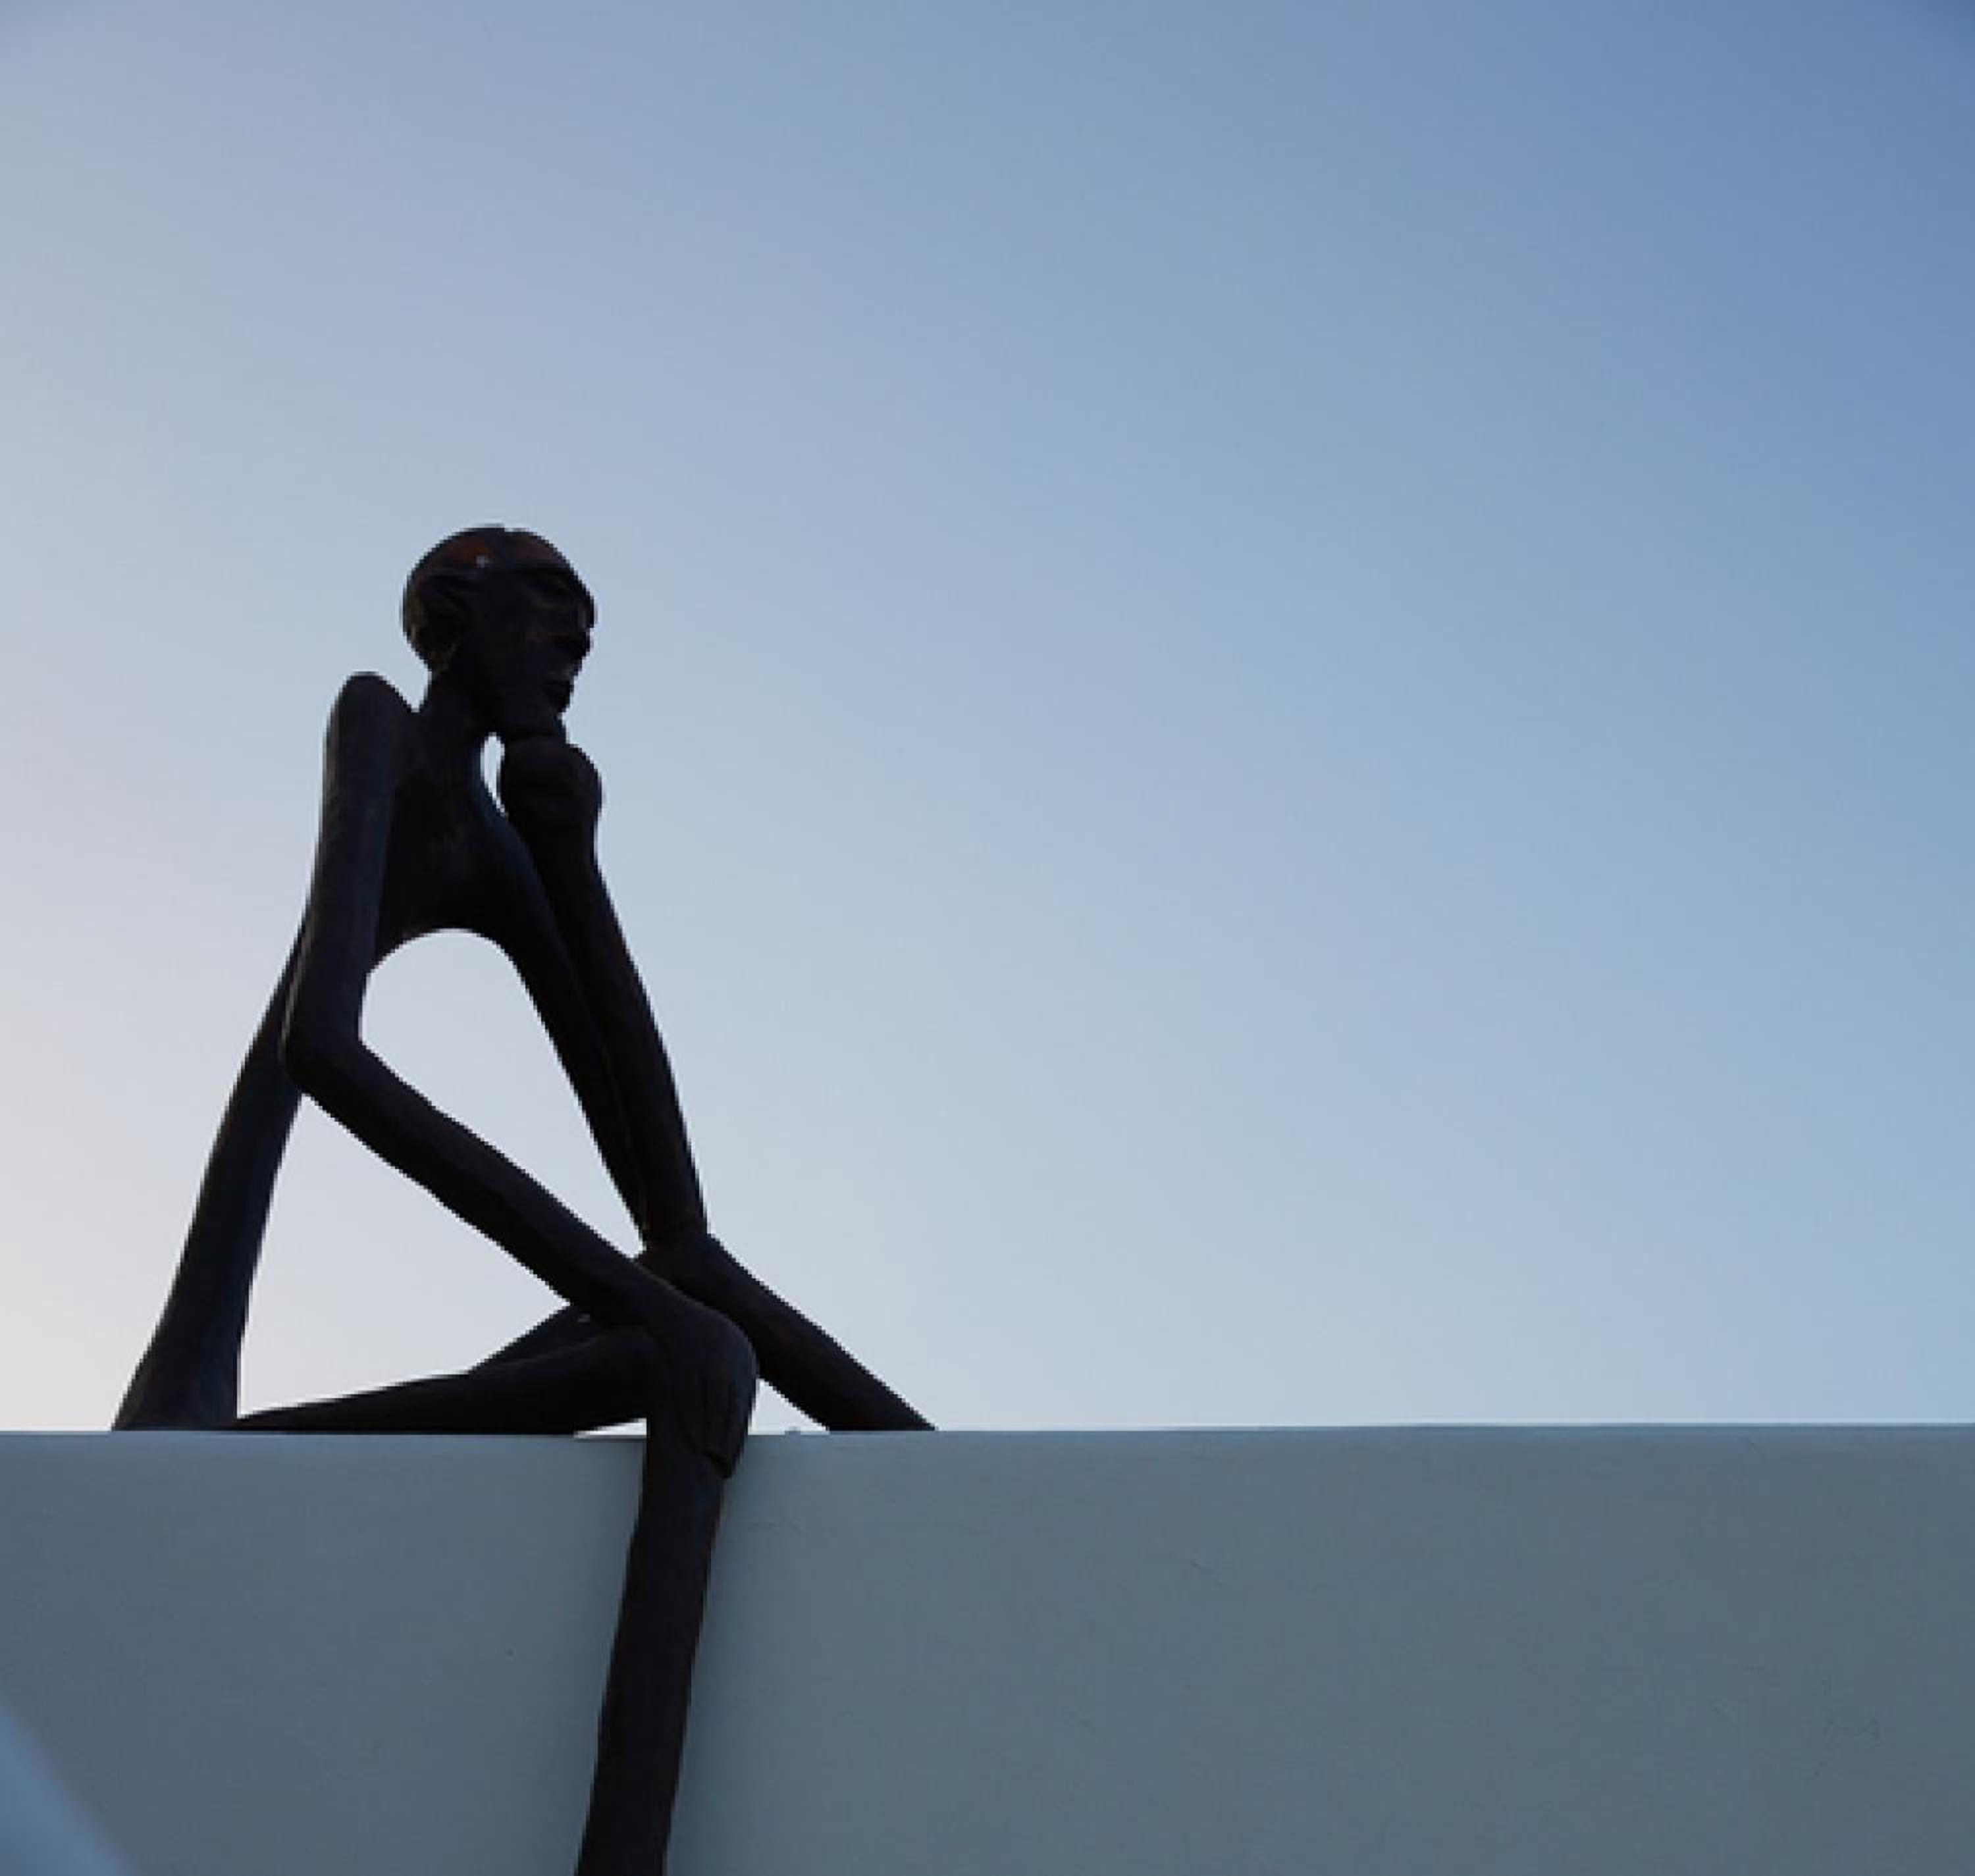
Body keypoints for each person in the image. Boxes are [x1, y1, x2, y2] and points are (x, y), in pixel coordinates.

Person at [116, 525, 928, 1874]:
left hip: (533, 850)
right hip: (188, 1437)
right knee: (690, 1352)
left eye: (582, 627)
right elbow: (322, 1049)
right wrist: (632, 1299)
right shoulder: (379, 726)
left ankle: (960, 1496)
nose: (574, 643)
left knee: (698, 1296)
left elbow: (675, 1213)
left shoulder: (501, 844)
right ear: (453, 605)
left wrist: (571, 857)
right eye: (548, 605)